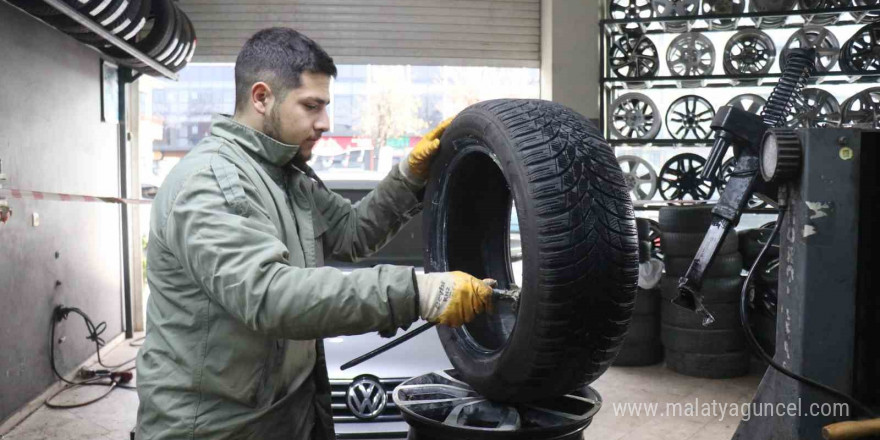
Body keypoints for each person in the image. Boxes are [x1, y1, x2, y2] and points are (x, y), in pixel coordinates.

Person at [135, 27, 494, 440]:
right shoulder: (211, 180)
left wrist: (409, 176)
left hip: (287, 414)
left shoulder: (287, 175)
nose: (325, 122)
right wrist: (419, 292)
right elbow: (269, 295)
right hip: (217, 428)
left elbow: (353, 232)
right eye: (311, 106)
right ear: (261, 97)